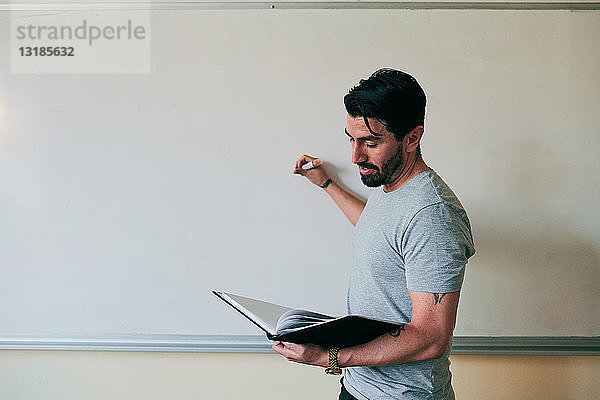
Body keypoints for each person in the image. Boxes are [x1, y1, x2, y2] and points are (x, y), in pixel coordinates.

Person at [272, 68, 476, 400]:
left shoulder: (433, 218)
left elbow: (432, 337)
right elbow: (379, 231)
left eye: (370, 142)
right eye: (352, 139)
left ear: (412, 138)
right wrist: (327, 184)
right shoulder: (388, 181)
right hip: (360, 386)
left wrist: (330, 357)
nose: (356, 157)